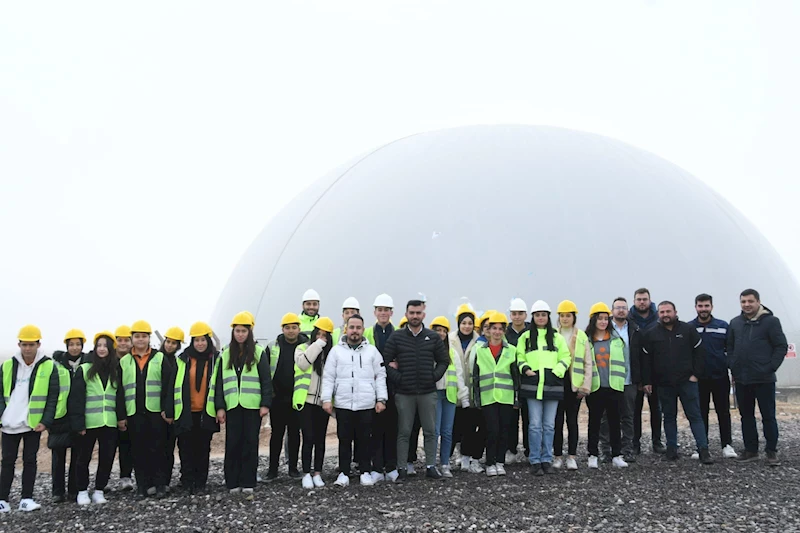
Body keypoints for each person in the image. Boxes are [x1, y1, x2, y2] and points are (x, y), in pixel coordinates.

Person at [384, 300, 450, 481]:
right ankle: (402, 468)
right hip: (404, 393)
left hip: (428, 392)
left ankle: (430, 466)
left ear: (423, 315)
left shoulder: (432, 337)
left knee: (430, 431)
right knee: (404, 432)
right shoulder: (397, 337)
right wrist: (399, 379)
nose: (415, 316)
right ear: (406, 314)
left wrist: (433, 377)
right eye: (412, 312)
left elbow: (444, 361)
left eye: (418, 313)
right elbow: (385, 361)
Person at [209, 312, 272, 498]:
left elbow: (266, 380)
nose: (240, 334)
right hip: (232, 406)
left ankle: (248, 480)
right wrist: (219, 407)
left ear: (249, 332)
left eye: (244, 331)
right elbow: (219, 382)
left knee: (250, 443)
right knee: (233, 443)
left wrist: (265, 404)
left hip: (252, 407)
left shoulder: (259, 353)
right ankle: (232, 481)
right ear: (233, 332)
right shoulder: (225, 354)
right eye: (237, 330)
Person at [641, 301, 713, 464]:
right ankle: (671, 450)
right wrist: (647, 381)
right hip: (664, 384)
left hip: (687, 382)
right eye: (662, 312)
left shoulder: (687, 330)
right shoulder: (652, 334)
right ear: (658, 314)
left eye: (668, 311)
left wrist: (696, 375)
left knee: (695, 416)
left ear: (675, 312)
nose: (665, 315)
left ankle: (703, 450)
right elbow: (646, 360)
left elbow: (700, 353)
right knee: (669, 417)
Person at [321, 314, 388, 487]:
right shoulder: (336, 352)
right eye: (352, 327)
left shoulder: (372, 351)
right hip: (344, 403)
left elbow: (380, 376)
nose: (355, 331)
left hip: (366, 403)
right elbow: (328, 376)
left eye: (358, 328)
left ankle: (365, 472)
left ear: (363, 329)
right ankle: (344, 473)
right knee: (344, 439)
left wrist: (381, 399)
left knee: (364, 439)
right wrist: (326, 399)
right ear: (346, 329)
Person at [0, 325, 59, 513]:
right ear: (19, 344)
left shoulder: (48, 365)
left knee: (30, 460)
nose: (27, 348)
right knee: (7, 461)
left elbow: (53, 396)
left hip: (32, 423)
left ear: (38, 344)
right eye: (24, 344)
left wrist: (46, 421)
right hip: (9, 423)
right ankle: (3, 500)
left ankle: (26, 499)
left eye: (31, 344)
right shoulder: (8, 365)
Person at [727, 289, 787, 466]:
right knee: (746, 416)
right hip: (742, 378)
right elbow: (730, 347)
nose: (746, 305)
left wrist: (770, 367)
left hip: (764, 379)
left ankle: (771, 451)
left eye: (750, 301)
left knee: (768, 416)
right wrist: (732, 364)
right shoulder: (735, 323)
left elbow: (780, 346)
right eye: (743, 302)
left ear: (758, 302)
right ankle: (751, 450)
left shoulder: (770, 322)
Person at [70, 332, 126, 506]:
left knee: (107, 457)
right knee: (83, 458)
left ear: (111, 349)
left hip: (109, 422)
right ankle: (82, 491)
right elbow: (76, 398)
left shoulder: (116, 370)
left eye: (105, 346)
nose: (102, 349)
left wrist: (121, 418)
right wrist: (78, 423)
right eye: (99, 346)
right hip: (89, 423)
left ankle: (99, 489)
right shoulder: (85, 369)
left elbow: (119, 396)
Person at [119, 320, 173, 499]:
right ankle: (142, 486)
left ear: (149, 338)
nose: (140, 340)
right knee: (138, 450)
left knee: (158, 449)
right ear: (132, 338)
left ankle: (159, 485)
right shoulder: (124, 361)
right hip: (133, 413)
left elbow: (168, 387)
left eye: (144, 336)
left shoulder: (159, 358)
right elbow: (119, 390)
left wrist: (167, 409)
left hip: (155, 412)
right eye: (137, 336)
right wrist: (121, 415)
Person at [517, 301, 569, 475]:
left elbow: (565, 357)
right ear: (533, 317)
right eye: (537, 315)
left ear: (548, 317)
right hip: (532, 386)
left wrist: (557, 372)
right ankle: (534, 460)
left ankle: (547, 459)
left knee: (549, 425)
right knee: (534, 425)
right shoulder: (524, 337)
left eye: (543, 315)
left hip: (552, 386)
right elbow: (519, 356)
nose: (540, 318)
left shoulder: (557, 337)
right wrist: (525, 368)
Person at [172, 322, 219, 494]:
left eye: (203, 340)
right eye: (196, 340)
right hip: (185, 412)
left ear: (208, 340)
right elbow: (173, 385)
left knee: (203, 448)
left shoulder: (215, 359)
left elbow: (219, 385)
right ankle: (187, 480)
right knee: (185, 448)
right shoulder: (182, 360)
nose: (200, 344)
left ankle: (200, 482)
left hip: (206, 411)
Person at [689, 294, 738, 460]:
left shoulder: (723, 326)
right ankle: (702, 447)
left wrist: (732, 370)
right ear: (695, 307)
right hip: (698, 379)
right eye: (700, 306)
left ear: (712, 306)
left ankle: (727, 445)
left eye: (706, 306)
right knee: (700, 413)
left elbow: (730, 350)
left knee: (723, 411)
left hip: (719, 376)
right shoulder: (689, 328)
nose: (703, 309)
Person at [471, 312, 519, 477]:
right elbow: (475, 377)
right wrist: (476, 398)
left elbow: (515, 376)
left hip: (506, 396)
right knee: (492, 430)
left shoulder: (511, 350)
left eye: (500, 329)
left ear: (504, 331)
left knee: (504, 430)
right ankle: (490, 462)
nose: (497, 332)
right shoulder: (480, 350)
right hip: (487, 396)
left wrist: (516, 399)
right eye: (494, 328)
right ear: (488, 331)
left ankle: (500, 462)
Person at [553, 300, 596, 471]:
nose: (565, 319)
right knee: (556, 422)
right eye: (562, 316)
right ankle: (557, 456)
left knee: (572, 421)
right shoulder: (553, 335)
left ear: (574, 317)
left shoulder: (582, 336)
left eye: (568, 316)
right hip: (557, 385)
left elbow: (588, 363)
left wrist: (585, 387)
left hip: (574, 386)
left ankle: (571, 456)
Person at [265, 314, 308, 481]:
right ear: (282, 329)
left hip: (297, 397)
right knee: (276, 434)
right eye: (287, 327)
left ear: (299, 328)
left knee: (295, 434)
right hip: (277, 398)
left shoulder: (305, 346)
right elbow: (266, 372)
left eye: (294, 327)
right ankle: (272, 470)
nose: (291, 331)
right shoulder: (273, 346)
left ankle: (293, 468)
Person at [599, 297, 643, 463]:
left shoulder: (635, 330)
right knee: (605, 418)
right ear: (612, 311)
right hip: (607, 381)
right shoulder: (603, 329)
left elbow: (640, 357)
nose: (621, 310)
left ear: (628, 310)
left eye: (624, 308)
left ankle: (627, 450)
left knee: (628, 417)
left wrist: (641, 379)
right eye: (618, 308)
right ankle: (606, 450)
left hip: (628, 380)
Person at [585, 303, 629, 469]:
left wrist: (621, 380)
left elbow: (624, 362)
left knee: (614, 422)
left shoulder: (617, 340)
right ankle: (592, 455)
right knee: (594, 422)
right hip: (595, 387)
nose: (603, 322)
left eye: (605, 318)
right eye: (600, 318)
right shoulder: (587, 340)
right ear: (593, 320)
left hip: (614, 387)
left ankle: (616, 455)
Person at [294, 317, 334, 488]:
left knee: (320, 438)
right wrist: (317, 345)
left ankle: (318, 472)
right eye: (318, 334)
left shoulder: (332, 354)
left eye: (325, 335)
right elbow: (303, 364)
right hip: (307, 400)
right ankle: (306, 473)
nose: (321, 337)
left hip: (323, 402)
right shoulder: (302, 348)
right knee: (308, 437)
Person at [364, 295, 400, 483]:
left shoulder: (399, 333)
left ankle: (391, 466)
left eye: (387, 309)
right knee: (375, 428)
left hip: (393, 388)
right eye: (380, 309)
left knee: (392, 427)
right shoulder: (368, 333)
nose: (383, 313)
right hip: (373, 387)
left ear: (391, 312)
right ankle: (377, 467)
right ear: (375, 312)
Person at [49, 329, 87, 503]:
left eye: (78, 344)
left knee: (78, 456)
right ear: (66, 346)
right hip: (60, 415)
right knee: (58, 456)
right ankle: (57, 491)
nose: (74, 348)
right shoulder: (56, 364)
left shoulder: (87, 363)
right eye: (71, 344)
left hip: (79, 415)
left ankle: (74, 490)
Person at [430, 316, 469, 478]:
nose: (441, 334)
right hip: (434, 395)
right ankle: (431, 464)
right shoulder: (427, 351)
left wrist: (464, 397)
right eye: (437, 330)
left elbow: (459, 375)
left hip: (450, 395)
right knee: (434, 430)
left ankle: (445, 464)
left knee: (447, 432)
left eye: (444, 331)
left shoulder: (452, 353)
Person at [629, 288, 665, 454]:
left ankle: (657, 441)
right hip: (635, 371)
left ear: (650, 300)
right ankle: (635, 443)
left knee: (656, 410)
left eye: (644, 299)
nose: (642, 302)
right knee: (634, 411)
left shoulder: (660, 319)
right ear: (634, 301)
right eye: (639, 299)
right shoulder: (628, 320)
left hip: (656, 371)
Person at [448, 304, 480, 472]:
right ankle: (449, 459)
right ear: (458, 324)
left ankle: (466, 457)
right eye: (464, 323)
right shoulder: (450, 339)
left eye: (470, 323)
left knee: (470, 426)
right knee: (453, 427)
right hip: (454, 391)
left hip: (472, 392)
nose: (467, 326)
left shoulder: (479, 341)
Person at [504, 298, 530, 464]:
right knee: (511, 419)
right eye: (514, 313)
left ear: (525, 314)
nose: (517, 317)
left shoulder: (532, 331)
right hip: (509, 381)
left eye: (520, 313)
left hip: (529, 381)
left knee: (529, 418)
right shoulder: (505, 333)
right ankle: (511, 450)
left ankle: (530, 451)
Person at [159, 326, 184, 489]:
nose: (169, 345)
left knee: (170, 448)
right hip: (158, 411)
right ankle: (158, 480)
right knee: (159, 448)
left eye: (173, 343)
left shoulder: (178, 362)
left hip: (173, 411)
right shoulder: (156, 359)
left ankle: (166, 480)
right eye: (168, 342)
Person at [114, 325, 135, 492]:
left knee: (126, 445)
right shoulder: (107, 359)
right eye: (119, 340)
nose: (123, 343)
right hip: (105, 410)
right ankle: (104, 479)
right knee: (107, 446)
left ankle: (125, 476)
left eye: (126, 340)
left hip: (128, 409)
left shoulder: (133, 360)